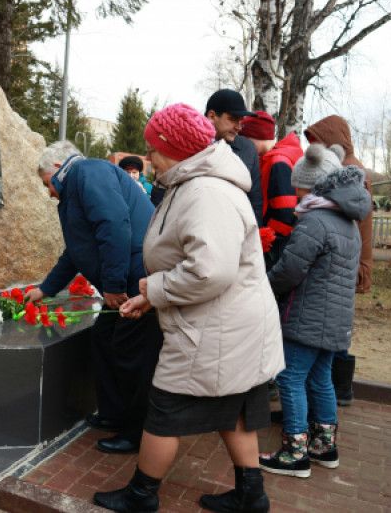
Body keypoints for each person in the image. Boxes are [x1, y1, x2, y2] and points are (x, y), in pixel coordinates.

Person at [94, 104, 283, 513]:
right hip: (225, 323)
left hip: (215, 328)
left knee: (165, 409)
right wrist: (150, 298)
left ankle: (141, 495)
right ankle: (252, 495)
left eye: (154, 149)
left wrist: (156, 287)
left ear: (176, 149)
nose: (149, 158)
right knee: (233, 410)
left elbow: (210, 272)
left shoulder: (206, 192)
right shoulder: (195, 183)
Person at [27, 140, 163, 454]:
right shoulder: (76, 187)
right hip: (125, 278)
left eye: (46, 183)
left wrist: (114, 285)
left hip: (134, 279)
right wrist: (46, 289)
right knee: (104, 337)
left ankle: (136, 431)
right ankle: (115, 412)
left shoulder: (89, 172)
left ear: (58, 168)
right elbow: (77, 251)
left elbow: (115, 227)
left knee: (131, 354)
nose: (48, 192)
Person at [259, 146, 370, 479]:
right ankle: (324, 446)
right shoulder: (347, 222)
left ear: (312, 186)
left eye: (299, 186)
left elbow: (290, 270)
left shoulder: (315, 222)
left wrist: (264, 286)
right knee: (321, 378)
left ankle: (295, 453)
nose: (295, 192)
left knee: (290, 377)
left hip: (307, 317)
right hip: (335, 320)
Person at [304, 115, 374, 406]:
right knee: (336, 326)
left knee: (333, 328)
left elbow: (355, 223)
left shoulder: (348, 171)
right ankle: (338, 391)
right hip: (349, 259)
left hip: (344, 260)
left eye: (317, 142)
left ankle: (338, 392)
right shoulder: (349, 167)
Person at [240, 111, 304, 270]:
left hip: (275, 246)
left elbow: (285, 214)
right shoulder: (275, 157)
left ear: (254, 137)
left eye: (246, 140)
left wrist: (267, 244)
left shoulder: (278, 162)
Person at [205, 89, 264, 226]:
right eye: (232, 119)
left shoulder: (247, 149)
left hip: (235, 233)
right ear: (212, 116)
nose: (239, 127)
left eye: (240, 121)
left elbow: (255, 200)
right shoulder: (188, 144)